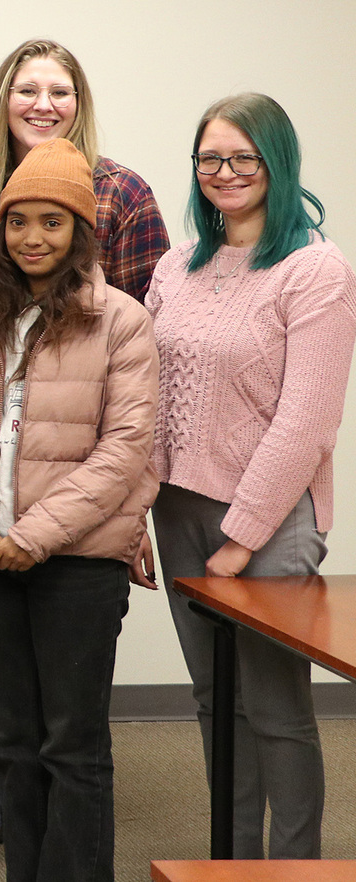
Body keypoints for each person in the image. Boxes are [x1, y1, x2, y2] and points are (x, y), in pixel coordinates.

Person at [0, 138, 159, 881]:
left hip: (77, 564)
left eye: (52, 222)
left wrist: (29, 537)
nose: (32, 237)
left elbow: (125, 450)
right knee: (10, 746)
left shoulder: (121, 322)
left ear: (80, 231)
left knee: (72, 750)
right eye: (18, 221)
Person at [147, 92, 356, 860]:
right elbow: (148, 397)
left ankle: (294, 869)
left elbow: (306, 424)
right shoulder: (178, 264)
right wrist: (134, 509)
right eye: (210, 158)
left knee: (275, 710)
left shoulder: (316, 270)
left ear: (277, 163)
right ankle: (230, 862)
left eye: (244, 157)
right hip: (177, 510)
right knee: (215, 701)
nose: (226, 171)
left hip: (269, 523)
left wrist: (239, 539)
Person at [0, 38, 168, 301]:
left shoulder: (123, 194)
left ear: (79, 103)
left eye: (60, 93)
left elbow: (147, 312)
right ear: (2, 101)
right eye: (27, 91)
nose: (43, 105)